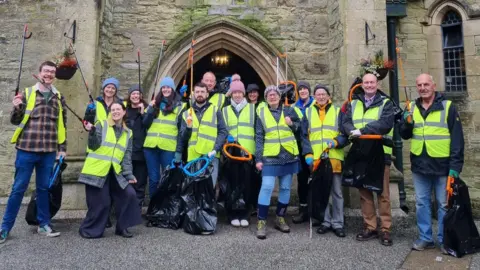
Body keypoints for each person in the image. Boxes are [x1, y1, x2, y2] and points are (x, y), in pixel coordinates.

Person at [0, 61, 67, 244]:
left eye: (52, 72)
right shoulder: (27, 93)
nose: (49, 74)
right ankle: (4, 228)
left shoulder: (58, 96)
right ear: (40, 72)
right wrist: (17, 106)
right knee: (18, 189)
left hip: (48, 152)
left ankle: (44, 224)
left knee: (43, 189)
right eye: (46, 71)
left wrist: (62, 149)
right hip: (26, 150)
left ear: (54, 75)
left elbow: (62, 124)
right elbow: (15, 121)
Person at [400, 74, 464, 254]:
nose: (423, 88)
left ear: (433, 86)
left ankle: (445, 240)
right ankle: (425, 238)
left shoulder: (448, 107)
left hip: (443, 165)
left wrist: (455, 167)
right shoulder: (411, 107)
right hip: (420, 164)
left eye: (426, 84)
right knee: (421, 203)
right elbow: (404, 134)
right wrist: (406, 122)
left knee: (444, 204)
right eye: (419, 85)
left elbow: (457, 139)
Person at [342, 73, 395, 246]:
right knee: (364, 193)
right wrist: (351, 130)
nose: (370, 85)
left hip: (380, 153)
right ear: (362, 85)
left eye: (372, 82)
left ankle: (385, 229)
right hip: (361, 152)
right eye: (366, 82)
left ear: (377, 83)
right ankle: (370, 226)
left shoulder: (386, 103)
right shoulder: (354, 102)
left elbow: (385, 124)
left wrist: (362, 131)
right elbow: (346, 122)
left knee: (383, 194)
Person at [78, 102, 142, 239]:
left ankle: (122, 227)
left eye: (118, 109)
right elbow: (93, 146)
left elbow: (126, 156)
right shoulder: (101, 124)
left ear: (124, 112)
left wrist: (129, 174)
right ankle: (89, 229)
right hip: (96, 170)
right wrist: (92, 132)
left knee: (129, 194)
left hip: (115, 172)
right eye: (113, 109)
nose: (115, 112)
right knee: (103, 203)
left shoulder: (128, 133)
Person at [255, 85, 304, 240]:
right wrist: (258, 158)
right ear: (266, 98)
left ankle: (280, 217)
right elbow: (258, 137)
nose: (272, 96)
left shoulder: (290, 110)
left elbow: (302, 128)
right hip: (270, 156)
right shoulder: (261, 113)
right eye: (269, 94)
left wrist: (292, 124)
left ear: (279, 96)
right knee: (267, 186)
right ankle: (261, 221)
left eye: (274, 94)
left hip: (289, 154)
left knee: (284, 187)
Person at [301, 84, 348, 237]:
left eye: (323, 94)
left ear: (329, 96)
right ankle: (325, 221)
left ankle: (338, 223)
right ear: (314, 97)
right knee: (322, 192)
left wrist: (336, 141)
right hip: (316, 159)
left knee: (336, 192)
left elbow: (345, 134)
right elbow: (304, 136)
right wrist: (307, 153)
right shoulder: (308, 112)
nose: (321, 97)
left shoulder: (337, 111)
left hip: (333, 157)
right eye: (318, 94)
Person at [176, 82, 228, 188]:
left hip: (211, 156)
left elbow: (223, 131)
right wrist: (188, 129)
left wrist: (216, 149)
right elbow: (183, 137)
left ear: (207, 94)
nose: (200, 94)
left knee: (209, 188)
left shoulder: (215, 110)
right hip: (193, 156)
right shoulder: (186, 113)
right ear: (193, 94)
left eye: (202, 92)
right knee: (194, 189)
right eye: (197, 92)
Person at [143, 77, 185, 198]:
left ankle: (165, 208)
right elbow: (145, 123)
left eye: (168, 87)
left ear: (172, 89)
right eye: (163, 87)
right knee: (154, 179)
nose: (166, 89)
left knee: (167, 179)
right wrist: (150, 109)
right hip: (150, 147)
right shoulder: (154, 104)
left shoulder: (179, 106)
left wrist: (178, 151)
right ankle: (153, 207)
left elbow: (181, 131)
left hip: (168, 148)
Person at [221, 80, 255, 227]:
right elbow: (222, 130)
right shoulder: (225, 110)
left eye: (239, 92)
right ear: (231, 94)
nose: (237, 95)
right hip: (231, 153)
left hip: (247, 152)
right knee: (232, 184)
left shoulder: (253, 109)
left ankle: (245, 214)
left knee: (247, 185)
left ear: (243, 94)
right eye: (234, 92)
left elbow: (258, 131)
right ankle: (232, 214)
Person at [291, 81, 316, 224]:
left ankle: (317, 210)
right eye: (300, 89)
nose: (302, 91)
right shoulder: (294, 107)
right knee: (302, 180)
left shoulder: (315, 105)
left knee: (317, 179)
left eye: (305, 89)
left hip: (315, 146)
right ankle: (303, 210)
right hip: (300, 148)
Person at [125, 84, 148, 207]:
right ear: (130, 96)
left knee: (140, 183)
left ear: (141, 96)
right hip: (127, 154)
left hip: (141, 154)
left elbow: (148, 125)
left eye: (137, 93)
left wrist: (143, 112)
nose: (135, 96)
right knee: (127, 183)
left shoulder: (147, 110)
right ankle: (126, 208)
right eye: (133, 93)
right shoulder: (125, 110)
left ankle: (137, 208)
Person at [245, 83, 264, 216]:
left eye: (255, 92)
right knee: (249, 178)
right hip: (248, 146)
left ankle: (259, 204)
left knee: (260, 178)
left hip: (261, 144)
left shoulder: (263, 106)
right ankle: (250, 204)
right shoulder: (245, 107)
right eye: (250, 92)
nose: (252, 94)